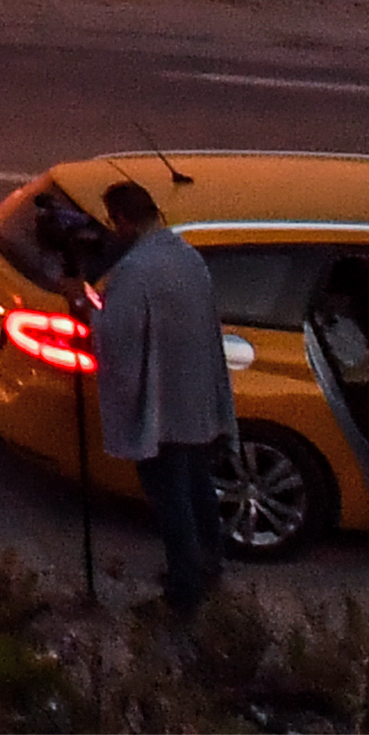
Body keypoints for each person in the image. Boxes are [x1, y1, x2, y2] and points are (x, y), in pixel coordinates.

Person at [84, 177, 235, 616]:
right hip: (196, 400)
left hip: (161, 407)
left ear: (125, 220)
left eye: (115, 222)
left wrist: (86, 305)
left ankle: (184, 590)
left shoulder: (137, 271)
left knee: (172, 499)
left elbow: (117, 338)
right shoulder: (186, 256)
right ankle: (211, 563)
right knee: (198, 487)